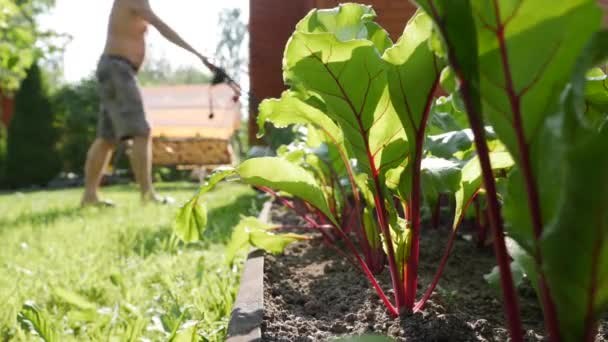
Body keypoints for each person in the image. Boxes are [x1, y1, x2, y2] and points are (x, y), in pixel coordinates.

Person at [81, 0, 218, 206]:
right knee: (141, 132)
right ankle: (147, 195)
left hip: (114, 69)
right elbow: (161, 26)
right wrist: (198, 55)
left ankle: (89, 197)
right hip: (118, 69)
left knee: (107, 138)